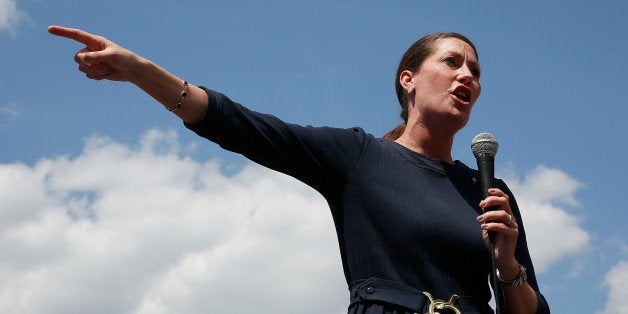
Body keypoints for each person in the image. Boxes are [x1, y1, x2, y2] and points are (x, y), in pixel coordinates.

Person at [48, 25, 550, 314]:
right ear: (409, 80)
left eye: (476, 72)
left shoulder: (489, 190)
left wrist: (507, 267)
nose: (467, 76)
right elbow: (242, 125)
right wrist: (139, 70)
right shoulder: (359, 158)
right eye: (453, 62)